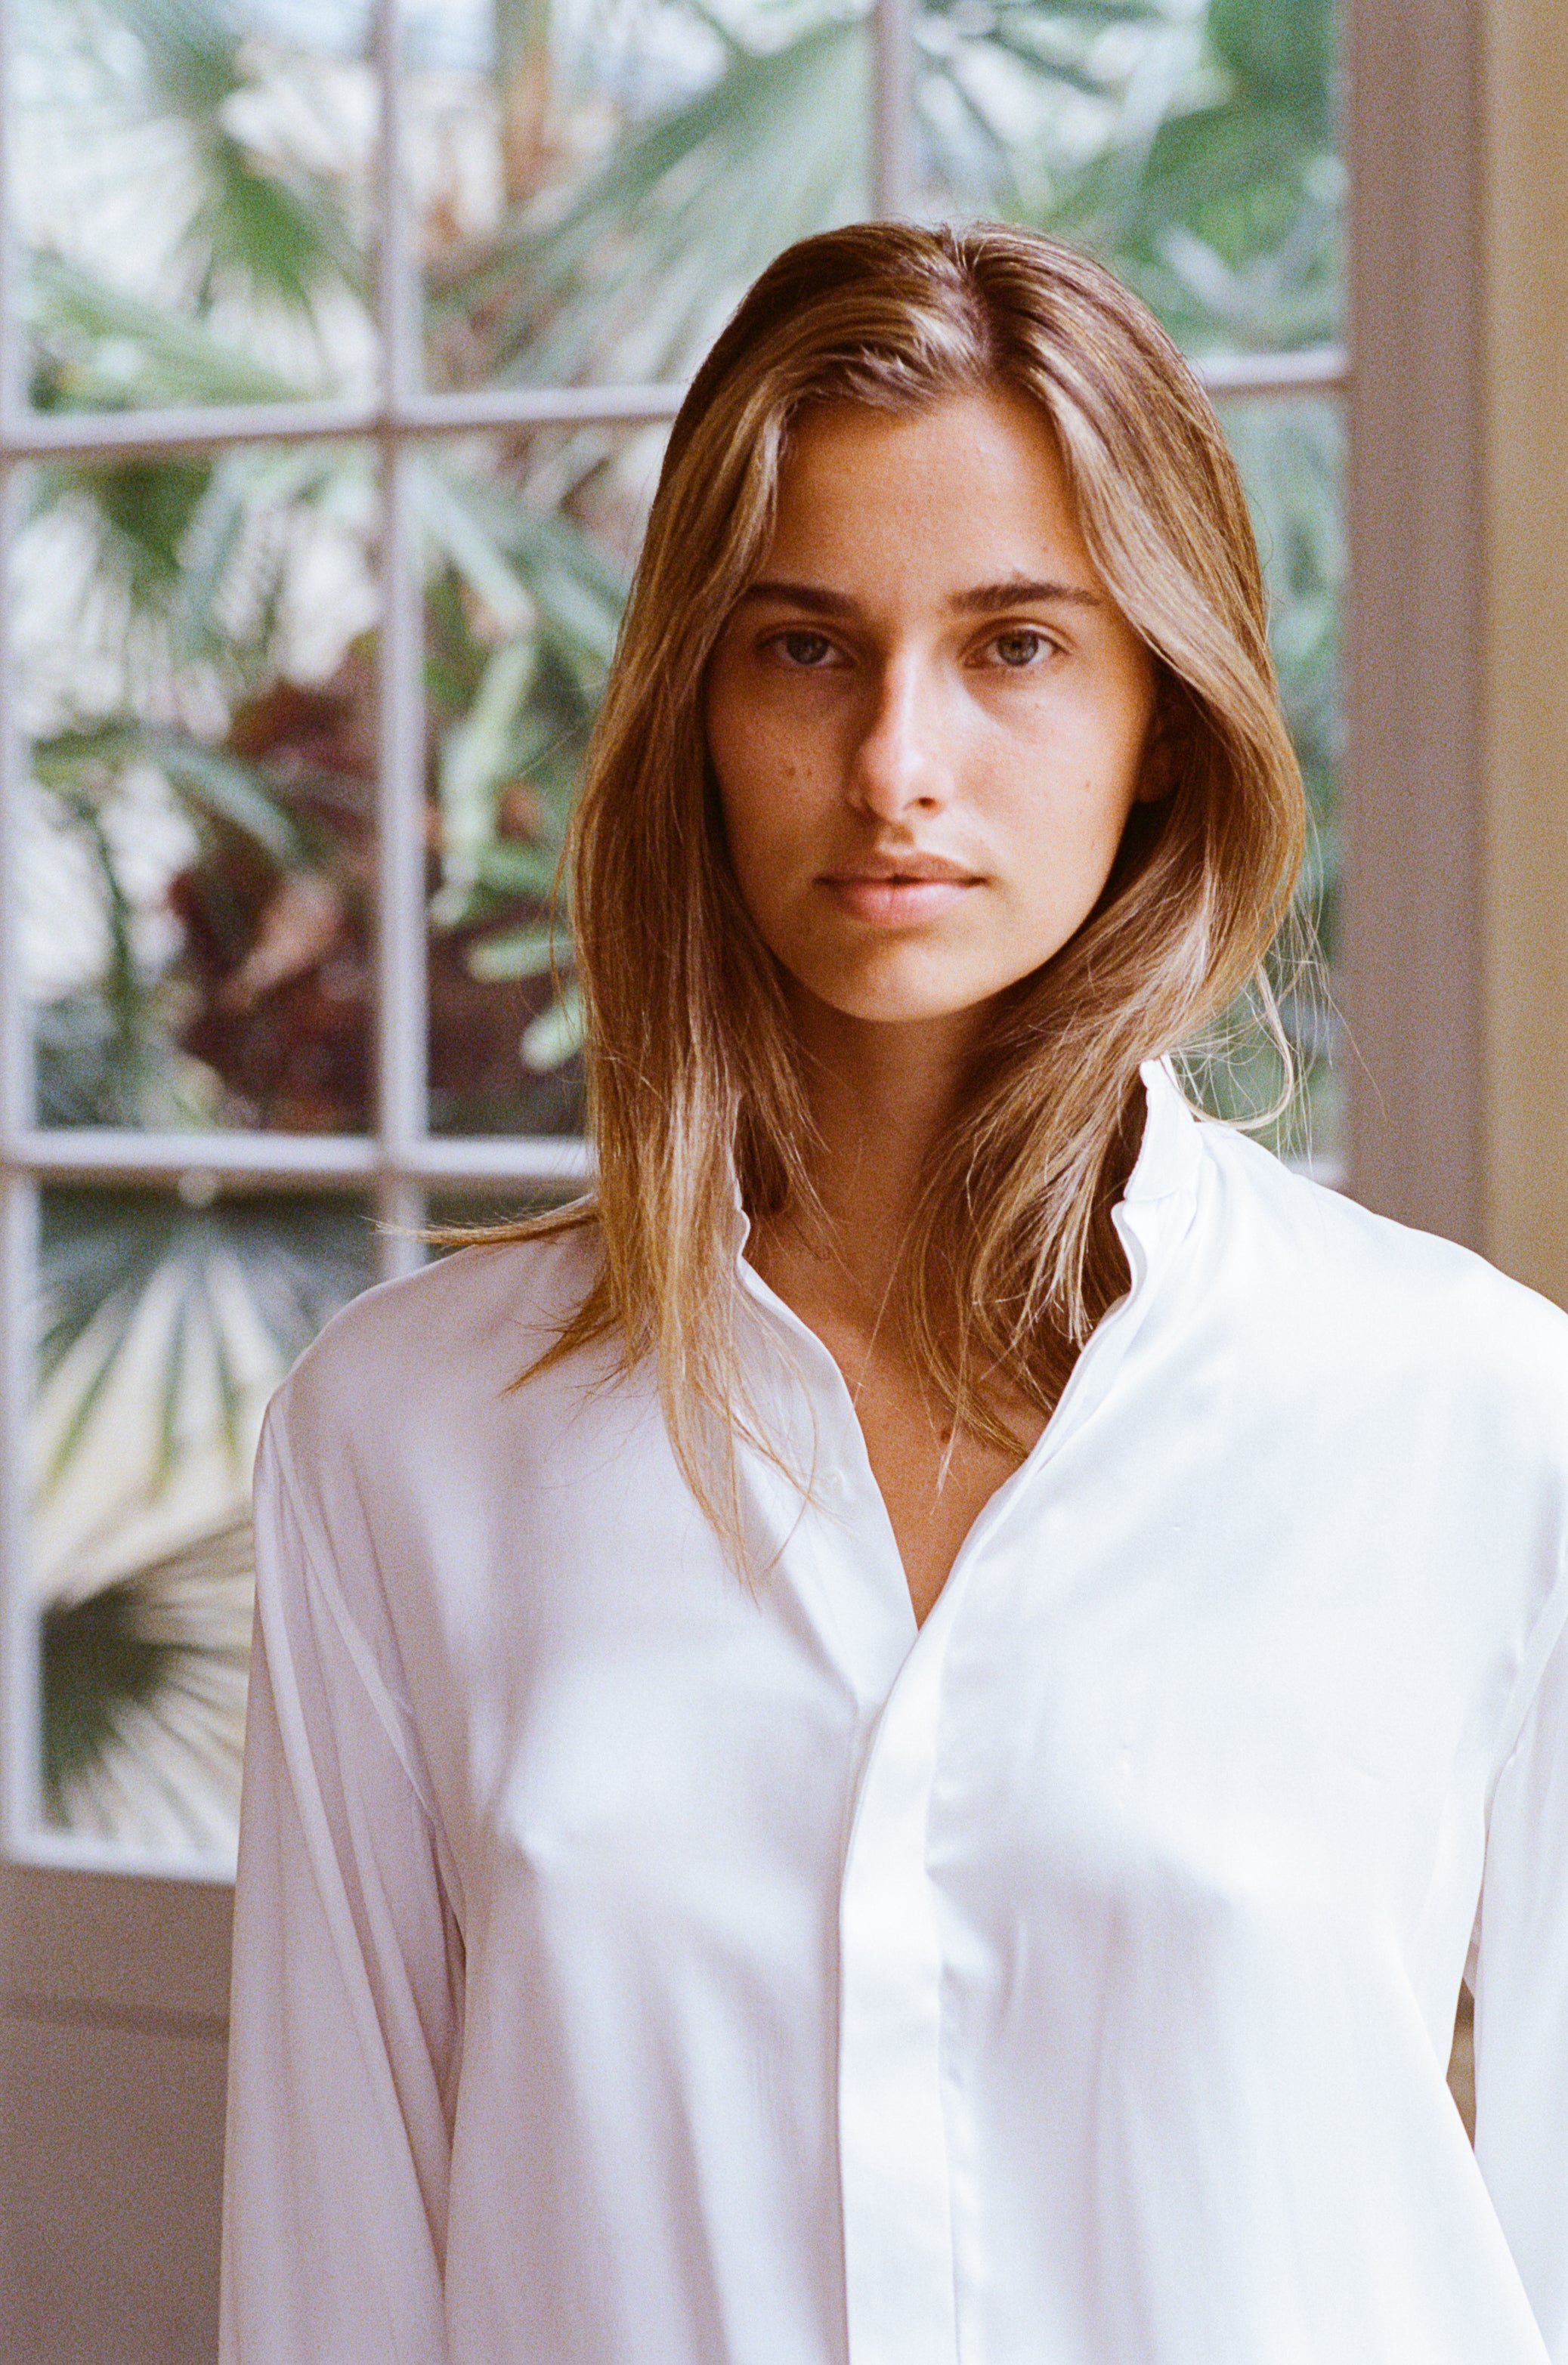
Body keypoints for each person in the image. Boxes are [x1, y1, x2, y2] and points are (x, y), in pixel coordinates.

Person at [219, 222, 1568, 2365]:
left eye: (1015, 645)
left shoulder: (1477, 1416)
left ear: (1158, 714)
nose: (893, 766)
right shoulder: (403, 1442)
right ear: (694, 702)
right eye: (803, 647)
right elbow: (335, 2288)